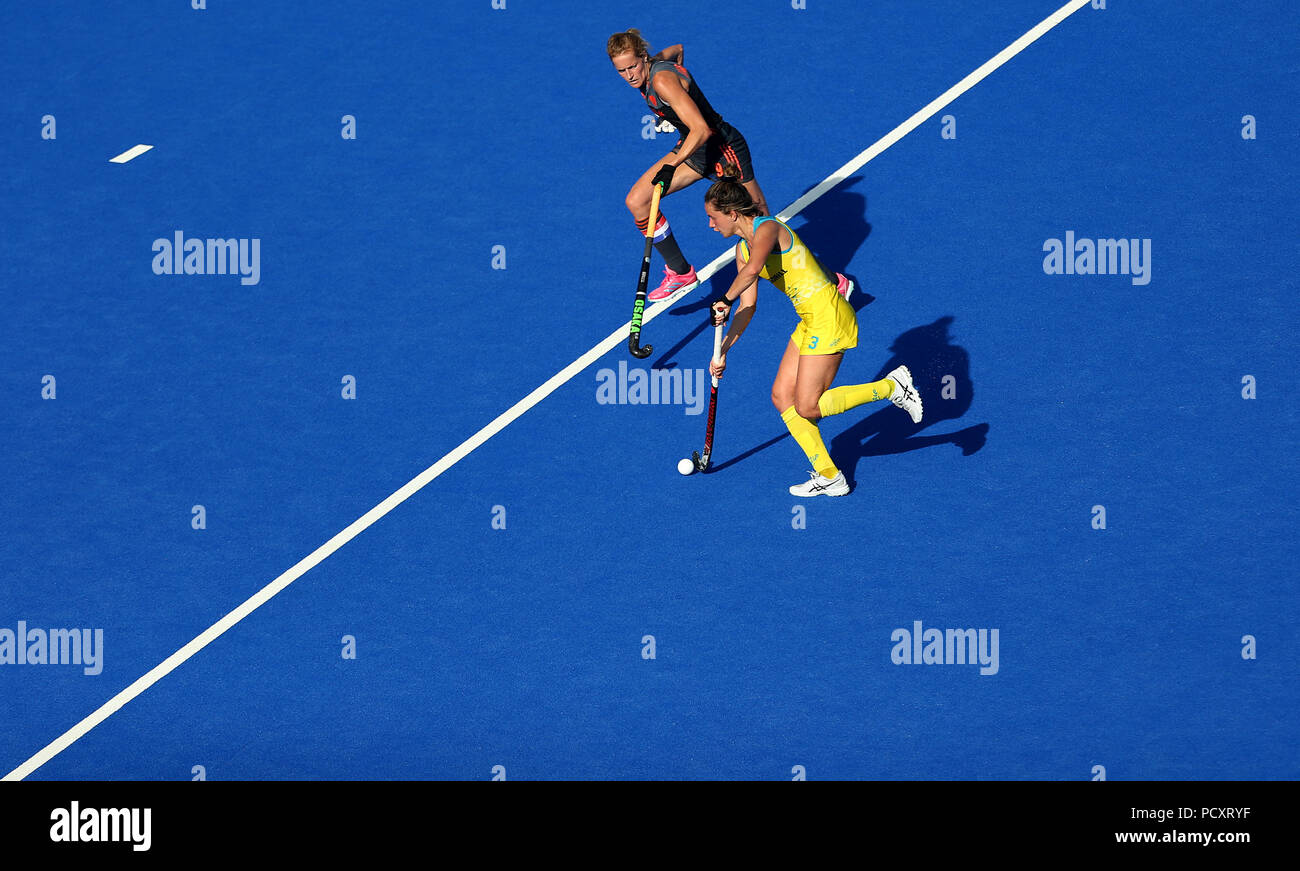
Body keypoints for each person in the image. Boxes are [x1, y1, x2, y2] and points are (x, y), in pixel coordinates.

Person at [703, 177, 922, 497]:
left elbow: (752, 271)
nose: (710, 224)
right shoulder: (741, 250)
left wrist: (724, 297)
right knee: (781, 397)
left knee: (807, 406)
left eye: (713, 216)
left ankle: (892, 386)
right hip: (809, 320)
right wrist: (722, 351)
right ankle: (830, 475)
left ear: (733, 213)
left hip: (830, 317)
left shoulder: (769, 229)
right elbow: (747, 307)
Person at [607, 30, 851, 302]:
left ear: (643, 57)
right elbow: (677, 49)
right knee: (638, 200)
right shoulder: (652, 65)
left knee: (763, 224)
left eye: (633, 66)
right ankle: (680, 272)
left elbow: (701, 129)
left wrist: (673, 158)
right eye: (621, 71)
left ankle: (833, 281)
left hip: (723, 150)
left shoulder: (662, 81)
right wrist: (677, 110)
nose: (629, 75)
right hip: (696, 151)